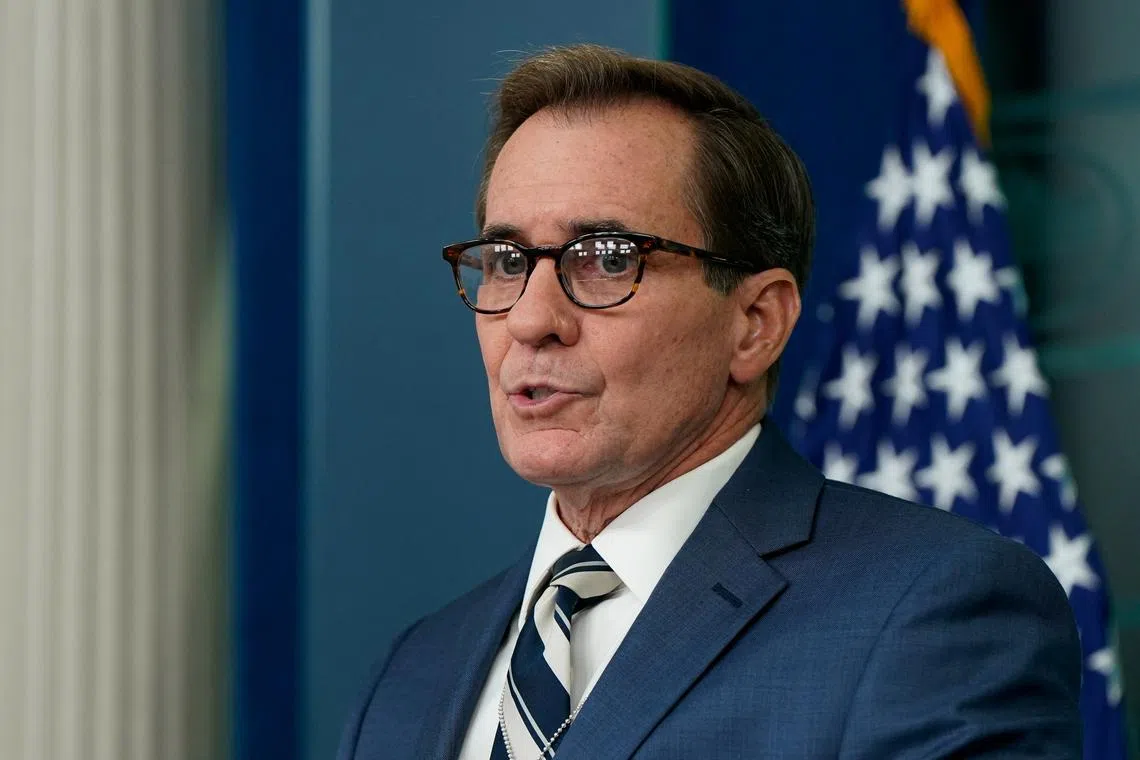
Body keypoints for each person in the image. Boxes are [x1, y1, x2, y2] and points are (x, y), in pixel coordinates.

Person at [337, 44, 1081, 759]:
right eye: (506, 262)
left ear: (755, 324)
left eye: (606, 259)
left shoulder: (933, 615)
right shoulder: (412, 674)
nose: (531, 320)